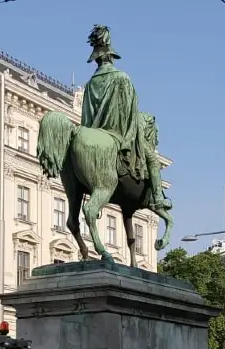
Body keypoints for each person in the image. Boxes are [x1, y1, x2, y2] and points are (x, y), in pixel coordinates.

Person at [81, 25, 168, 212]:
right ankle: (159, 198)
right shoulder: (122, 78)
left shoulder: (89, 84)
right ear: (111, 56)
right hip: (118, 133)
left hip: (93, 132)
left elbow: (86, 117)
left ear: (96, 59)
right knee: (153, 160)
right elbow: (131, 111)